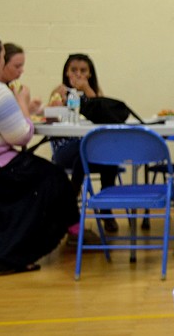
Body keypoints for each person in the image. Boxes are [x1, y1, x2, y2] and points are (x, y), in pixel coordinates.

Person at [0, 36, 79, 275]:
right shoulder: (2, 93)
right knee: (54, 181)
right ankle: (16, 253)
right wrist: (22, 104)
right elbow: (21, 136)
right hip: (4, 167)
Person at [48, 53, 119, 234]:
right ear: (66, 72)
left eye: (83, 71)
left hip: (89, 150)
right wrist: (58, 103)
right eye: (74, 70)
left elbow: (104, 117)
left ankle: (104, 206)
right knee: (84, 151)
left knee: (107, 153)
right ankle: (73, 197)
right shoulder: (59, 92)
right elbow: (49, 120)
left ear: (90, 74)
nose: (78, 75)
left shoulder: (93, 93)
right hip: (65, 147)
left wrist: (88, 90)